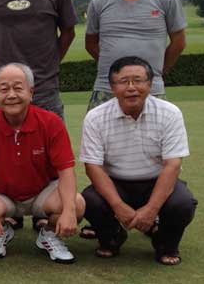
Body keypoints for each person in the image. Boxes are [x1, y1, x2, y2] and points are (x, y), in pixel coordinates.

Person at [80, 56, 196, 266]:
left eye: (138, 80)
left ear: (150, 84)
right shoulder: (95, 117)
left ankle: (165, 244)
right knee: (90, 199)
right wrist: (118, 206)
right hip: (116, 182)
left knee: (182, 203)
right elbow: (93, 167)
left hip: (156, 180)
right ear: (113, 87)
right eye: (123, 81)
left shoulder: (170, 113)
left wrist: (151, 210)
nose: (131, 88)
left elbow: (173, 165)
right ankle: (113, 237)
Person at [0, 63, 85, 264]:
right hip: (2, 195)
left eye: (18, 88)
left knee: (77, 203)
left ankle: (48, 234)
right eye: (4, 89)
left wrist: (69, 212)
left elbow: (65, 171)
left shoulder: (51, 122)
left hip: (42, 192)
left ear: (31, 92)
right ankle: (0, 232)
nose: (11, 94)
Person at [85, 0, 186, 110]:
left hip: (151, 89)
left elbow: (179, 42)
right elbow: (91, 44)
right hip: (106, 89)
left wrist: (155, 71)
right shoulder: (99, 1)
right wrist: (116, 70)